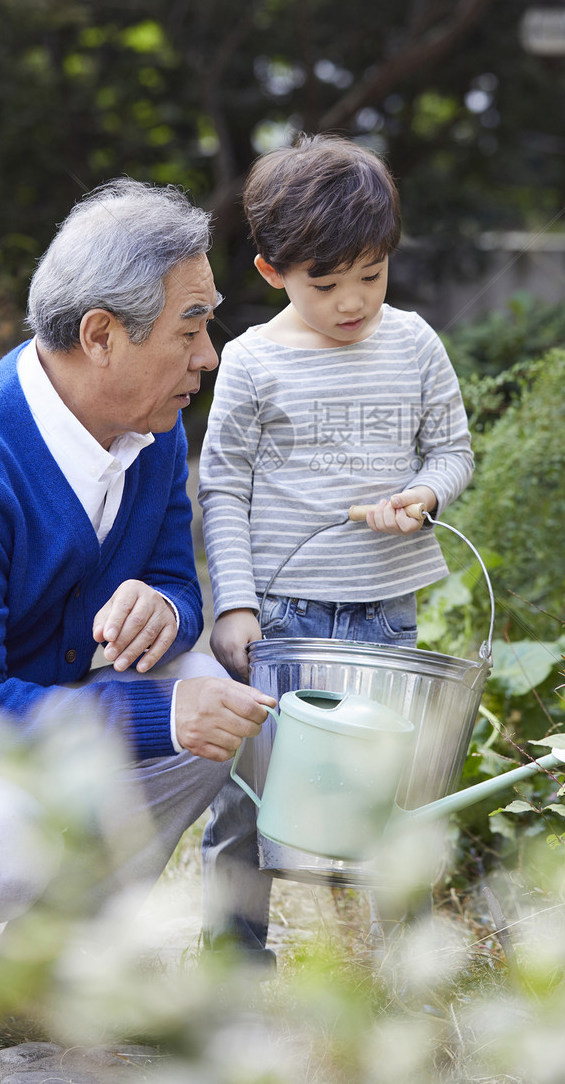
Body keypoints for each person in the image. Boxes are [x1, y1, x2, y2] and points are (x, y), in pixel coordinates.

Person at [0, 177, 276, 988]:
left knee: (213, 700)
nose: (208, 355)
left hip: (37, 707)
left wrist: (166, 612)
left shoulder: (153, 428)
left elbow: (180, 587)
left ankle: (35, 968)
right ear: (102, 334)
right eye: (191, 327)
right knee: (4, 838)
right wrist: (157, 712)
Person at [196, 132, 474, 948]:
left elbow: (452, 451)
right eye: (327, 284)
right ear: (272, 273)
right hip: (283, 611)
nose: (354, 302)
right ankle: (234, 952)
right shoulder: (250, 364)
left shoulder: (414, 342)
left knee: (394, 790)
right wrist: (237, 604)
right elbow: (223, 489)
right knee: (253, 788)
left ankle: (406, 958)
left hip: (386, 612)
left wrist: (424, 494)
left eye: (372, 276)